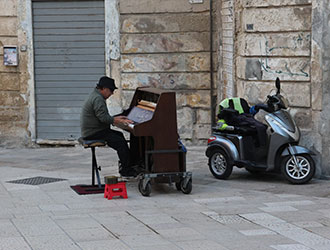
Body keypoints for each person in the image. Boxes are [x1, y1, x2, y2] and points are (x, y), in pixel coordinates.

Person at [80, 76, 137, 177]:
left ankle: (130, 164)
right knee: (120, 143)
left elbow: (103, 116)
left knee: (119, 136)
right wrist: (117, 120)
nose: (111, 94)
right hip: (93, 133)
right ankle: (127, 170)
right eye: (111, 91)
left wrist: (117, 118)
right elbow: (103, 118)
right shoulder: (98, 99)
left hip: (94, 130)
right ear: (105, 89)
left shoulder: (96, 95)